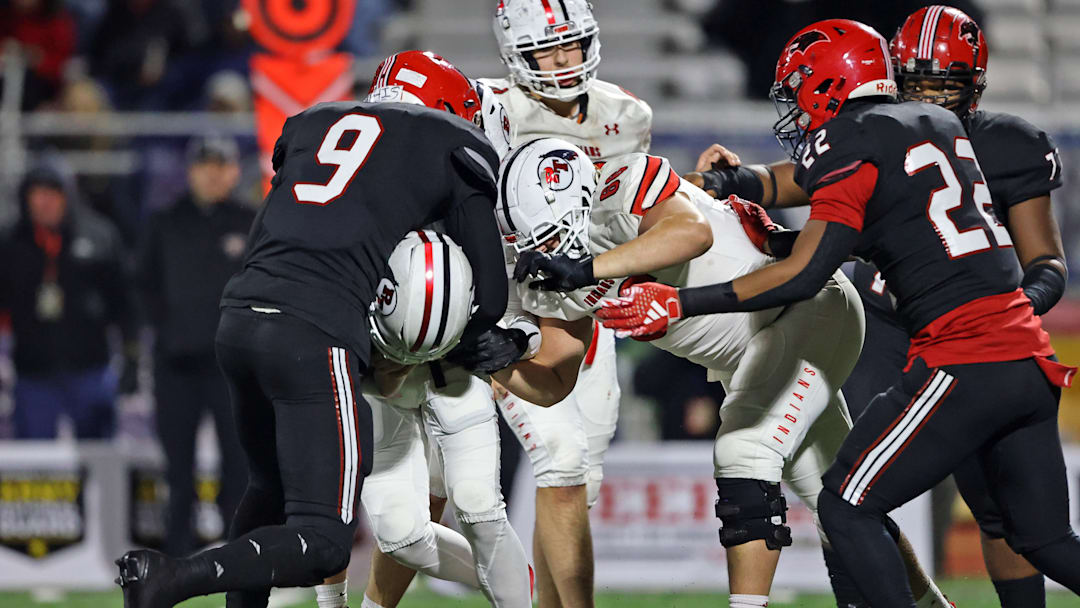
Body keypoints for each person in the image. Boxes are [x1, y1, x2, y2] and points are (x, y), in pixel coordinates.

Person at [596, 20, 1080, 607]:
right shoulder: (937, 128)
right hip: (1025, 356)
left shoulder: (858, 141)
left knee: (844, 505)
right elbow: (838, 212)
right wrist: (732, 185)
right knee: (1047, 539)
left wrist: (680, 300)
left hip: (964, 357)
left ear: (825, 86)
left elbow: (806, 270)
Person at [113, 51, 515, 608]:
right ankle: (172, 576)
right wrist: (477, 341)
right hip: (313, 332)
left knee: (266, 493)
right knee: (324, 542)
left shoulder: (312, 121)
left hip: (240, 319)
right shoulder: (450, 139)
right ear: (448, 107)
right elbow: (488, 294)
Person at [506, 137, 947, 608]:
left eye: (550, 234)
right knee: (837, 506)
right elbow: (554, 381)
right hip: (755, 353)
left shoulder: (622, 184)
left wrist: (589, 268)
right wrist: (490, 363)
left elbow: (692, 232)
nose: (546, 249)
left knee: (744, 450)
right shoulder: (551, 274)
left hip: (804, 306)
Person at [481, 2, 650, 605]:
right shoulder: (488, 111)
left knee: (580, 478)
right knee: (559, 461)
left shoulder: (626, 116)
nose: (563, 60)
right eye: (547, 50)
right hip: (509, 308)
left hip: (584, 304)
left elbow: (629, 211)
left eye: (571, 46)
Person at [135, 135, 253, 557]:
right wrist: (165, 331)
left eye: (222, 164)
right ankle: (175, 557)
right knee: (178, 470)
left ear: (235, 170)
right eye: (205, 164)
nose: (213, 172)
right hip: (176, 365)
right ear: (190, 172)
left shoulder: (250, 221)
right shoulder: (164, 221)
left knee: (239, 467)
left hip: (230, 368)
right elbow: (142, 286)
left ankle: (238, 553)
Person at [0, 163, 138, 440]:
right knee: (36, 469)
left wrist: (131, 357)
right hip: (33, 373)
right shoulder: (10, 242)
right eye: (37, 193)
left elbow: (125, 302)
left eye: (53, 193)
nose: (45, 202)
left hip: (91, 369)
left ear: (68, 195)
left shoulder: (100, 234)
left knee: (100, 459)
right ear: (25, 198)